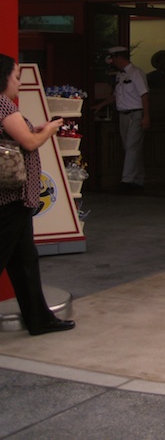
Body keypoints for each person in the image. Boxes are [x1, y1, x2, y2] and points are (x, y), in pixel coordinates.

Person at [0, 53, 76, 336]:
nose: (18, 83)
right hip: (10, 199)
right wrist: (50, 129)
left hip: (16, 200)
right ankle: (39, 319)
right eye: (16, 77)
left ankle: (39, 319)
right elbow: (29, 142)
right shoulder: (3, 105)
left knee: (25, 262)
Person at [93, 46, 150, 192]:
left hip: (135, 114)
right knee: (130, 148)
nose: (112, 62)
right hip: (123, 115)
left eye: (113, 58)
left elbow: (144, 95)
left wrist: (146, 116)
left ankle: (127, 181)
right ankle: (138, 180)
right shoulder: (120, 75)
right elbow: (115, 95)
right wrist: (101, 105)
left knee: (132, 146)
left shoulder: (136, 73)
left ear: (120, 57)